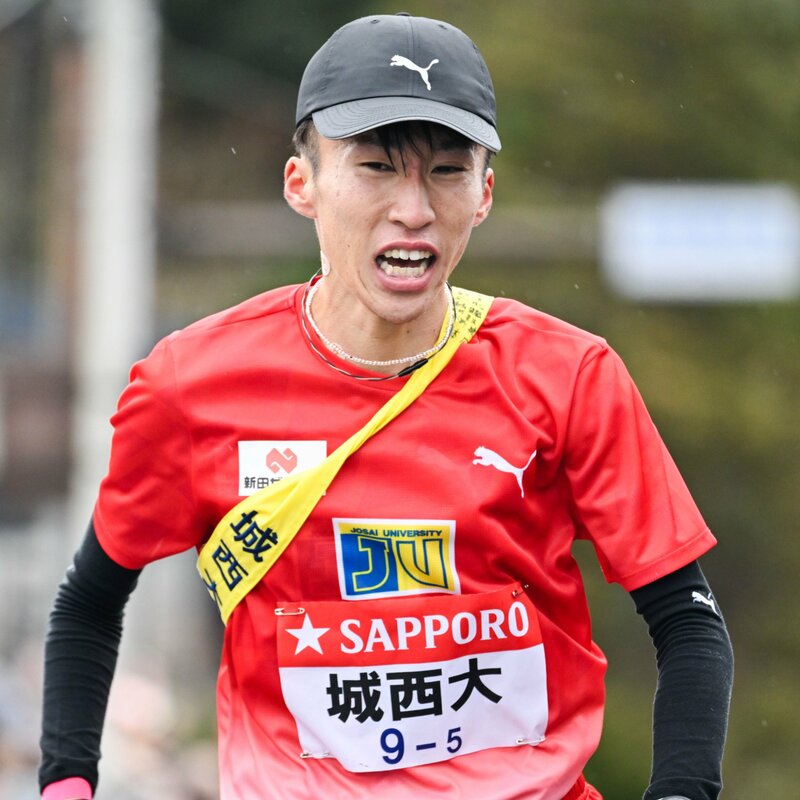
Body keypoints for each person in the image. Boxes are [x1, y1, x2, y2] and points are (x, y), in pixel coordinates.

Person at [39, 12, 733, 800]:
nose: (413, 208)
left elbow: (688, 619)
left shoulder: (569, 374)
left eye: (445, 171)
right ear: (302, 182)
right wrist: (67, 783)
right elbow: (91, 602)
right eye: (375, 166)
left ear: (485, 194)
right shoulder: (190, 384)